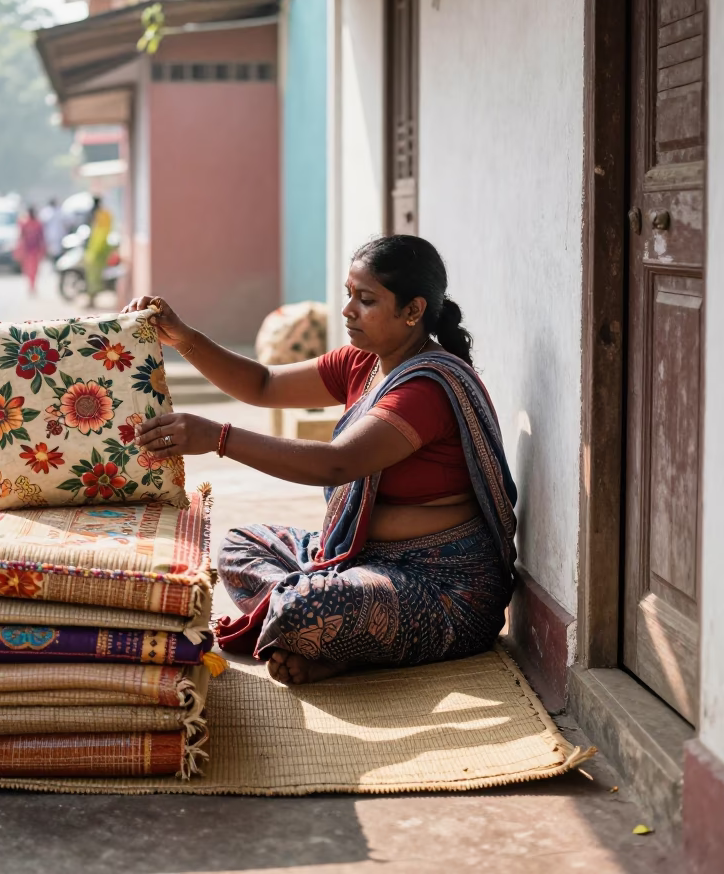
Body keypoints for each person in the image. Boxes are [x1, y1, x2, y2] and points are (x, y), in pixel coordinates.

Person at [125, 235, 517, 686]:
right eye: (348, 295)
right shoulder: (364, 363)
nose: (349, 310)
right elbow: (265, 384)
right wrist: (184, 338)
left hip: (442, 586)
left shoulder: (426, 388)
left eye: (366, 300)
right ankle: (326, 636)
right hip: (355, 559)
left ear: (413, 311)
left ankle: (320, 633)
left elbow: (338, 464)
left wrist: (218, 438)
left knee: (303, 606)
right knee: (238, 547)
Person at [84, 195, 113, 305]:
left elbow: (101, 234)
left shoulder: (101, 215)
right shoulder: (104, 214)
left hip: (98, 250)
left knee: (94, 276)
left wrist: (94, 251)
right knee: (93, 275)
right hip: (97, 249)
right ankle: (92, 299)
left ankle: (92, 299)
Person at [40, 197, 65, 264]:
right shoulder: (46, 211)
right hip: (49, 235)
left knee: (58, 251)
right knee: (51, 251)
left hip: (59, 234)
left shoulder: (59, 210)